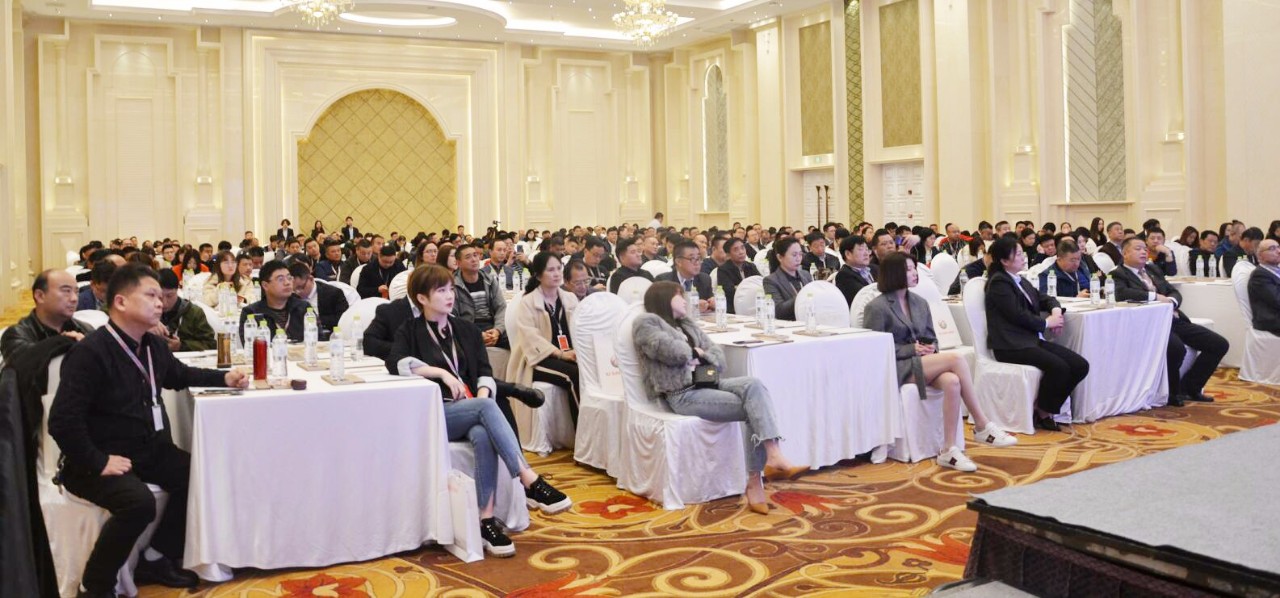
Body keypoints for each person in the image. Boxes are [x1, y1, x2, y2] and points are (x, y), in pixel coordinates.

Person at [48, 264, 249, 598]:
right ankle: (94, 586)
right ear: (121, 302)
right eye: (151, 295)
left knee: (198, 475)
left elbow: (180, 375)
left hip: (145, 449)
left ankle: (156, 555)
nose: (160, 303)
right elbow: (62, 421)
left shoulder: (152, 345)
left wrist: (224, 377)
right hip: (95, 458)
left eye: (161, 296)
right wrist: (99, 461)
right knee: (138, 503)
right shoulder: (90, 353)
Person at [386, 265, 570, 557]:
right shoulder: (409, 330)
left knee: (483, 432)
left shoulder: (466, 330)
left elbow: (484, 372)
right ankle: (528, 478)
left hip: (471, 408)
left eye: (451, 289)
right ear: (422, 298)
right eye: (441, 291)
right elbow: (396, 363)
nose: (450, 296)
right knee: (484, 408)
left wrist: (481, 399)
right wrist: (441, 373)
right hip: (437, 414)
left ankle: (486, 519)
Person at [632, 281, 808, 513]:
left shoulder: (687, 324)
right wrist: (694, 352)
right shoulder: (646, 323)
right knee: (754, 409)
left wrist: (698, 355)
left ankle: (772, 456)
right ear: (664, 298)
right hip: (681, 393)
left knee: (753, 385)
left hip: (707, 381)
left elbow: (718, 356)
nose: (685, 300)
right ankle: (757, 478)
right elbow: (670, 351)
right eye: (679, 296)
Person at [863, 253, 1017, 471]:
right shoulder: (877, 307)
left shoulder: (919, 302)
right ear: (894, 273)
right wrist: (912, 349)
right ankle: (982, 423)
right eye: (908, 269)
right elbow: (875, 349)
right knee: (956, 358)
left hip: (923, 362)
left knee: (952, 381)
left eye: (914, 268)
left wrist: (930, 348)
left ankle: (948, 449)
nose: (914, 273)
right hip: (897, 366)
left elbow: (932, 337)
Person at [984, 237, 1090, 431]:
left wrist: (1056, 311)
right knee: (1059, 368)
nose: (1023, 257)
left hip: (1030, 341)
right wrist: (1047, 323)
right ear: (1004, 260)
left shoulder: (1019, 280)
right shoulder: (999, 282)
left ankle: (1044, 407)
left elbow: (1045, 298)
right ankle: (1044, 412)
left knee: (1079, 365)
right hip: (1011, 345)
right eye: (1017, 254)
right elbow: (1017, 315)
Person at [1109, 237, 1229, 406]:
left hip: (1173, 319)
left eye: (1144, 249)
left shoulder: (1152, 269)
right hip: (1150, 323)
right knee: (1176, 349)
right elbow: (1122, 294)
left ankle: (1190, 387)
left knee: (1219, 344)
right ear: (1125, 253)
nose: (1143, 252)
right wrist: (1155, 297)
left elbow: (1173, 291)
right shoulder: (1118, 273)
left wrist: (1171, 302)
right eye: (1138, 249)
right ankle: (1172, 393)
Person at [508, 252, 581, 424]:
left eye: (558, 268)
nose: (557, 274)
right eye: (550, 270)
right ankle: (582, 430)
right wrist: (561, 354)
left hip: (568, 354)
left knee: (589, 369)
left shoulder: (569, 298)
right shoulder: (528, 302)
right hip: (538, 358)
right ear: (539, 275)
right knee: (574, 375)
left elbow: (581, 328)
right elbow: (531, 338)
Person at [1, 269, 94, 363]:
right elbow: (24, 362)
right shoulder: (16, 334)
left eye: (76, 292)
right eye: (66, 291)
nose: (74, 298)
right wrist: (64, 341)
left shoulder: (85, 329)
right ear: (40, 296)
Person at [239, 260, 310, 342]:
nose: (287, 283)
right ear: (265, 285)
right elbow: (249, 346)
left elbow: (318, 340)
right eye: (280, 279)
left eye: (289, 278)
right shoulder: (251, 313)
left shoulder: (303, 308)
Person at [453, 244, 508, 349]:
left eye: (475, 255)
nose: (474, 259)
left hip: (491, 325)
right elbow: (453, 318)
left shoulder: (489, 280)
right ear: (458, 263)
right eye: (468, 257)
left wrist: (497, 330)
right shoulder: (453, 285)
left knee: (518, 338)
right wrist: (477, 334)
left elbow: (501, 308)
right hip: (469, 328)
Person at [156, 269, 215, 352]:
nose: (164, 303)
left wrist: (181, 346)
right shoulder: (146, 312)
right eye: (160, 297)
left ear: (177, 290)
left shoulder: (194, 313)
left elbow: (210, 344)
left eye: (169, 296)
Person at [289, 262, 347, 337]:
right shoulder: (290, 296)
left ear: (311, 279)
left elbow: (343, 319)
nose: (298, 292)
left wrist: (315, 319)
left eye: (301, 287)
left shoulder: (334, 293)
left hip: (328, 336)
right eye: (294, 289)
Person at [762, 237, 813, 320]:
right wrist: (802, 297)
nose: (798, 259)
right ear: (780, 257)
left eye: (800, 254)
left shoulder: (806, 275)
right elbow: (778, 310)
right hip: (789, 324)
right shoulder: (771, 281)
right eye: (794, 255)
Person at [657, 240, 714, 313]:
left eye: (698, 258)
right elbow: (660, 309)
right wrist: (691, 306)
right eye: (692, 259)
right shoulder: (664, 282)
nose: (697, 263)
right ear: (678, 261)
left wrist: (712, 303)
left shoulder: (704, 279)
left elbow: (709, 306)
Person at [716, 237, 761, 314]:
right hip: (733, 308)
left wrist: (738, 287)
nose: (741, 252)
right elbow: (729, 291)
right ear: (728, 254)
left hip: (752, 304)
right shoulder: (723, 270)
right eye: (736, 250)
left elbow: (760, 283)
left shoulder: (751, 266)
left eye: (742, 248)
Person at [1247, 239, 1280, 335]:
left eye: (1278, 247)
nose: (1278, 251)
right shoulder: (1260, 275)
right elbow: (1277, 300)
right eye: (1272, 248)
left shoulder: (1276, 270)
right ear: (1260, 255)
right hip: (1272, 321)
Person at [834, 235, 875, 305]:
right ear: (848, 254)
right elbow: (865, 298)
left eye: (867, 249)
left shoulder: (875, 269)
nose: (866, 253)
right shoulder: (844, 276)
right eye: (861, 249)